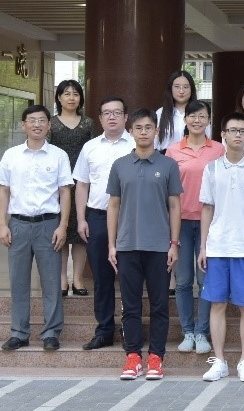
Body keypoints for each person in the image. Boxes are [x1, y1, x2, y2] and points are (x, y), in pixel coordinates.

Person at [107, 109, 182, 381]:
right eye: (138, 127)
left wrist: (174, 244)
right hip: (127, 245)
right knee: (130, 305)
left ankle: (156, 358)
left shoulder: (168, 165)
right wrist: (112, 244)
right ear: (131, 131)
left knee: (160, 304)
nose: (143, 132)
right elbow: (113, 206)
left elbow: (175, 206)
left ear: (156, 131)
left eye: (148, 127)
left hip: (159, 246)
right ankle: (133, 357)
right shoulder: (119, 165)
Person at [199, 112, 244, 383]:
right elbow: (207, 208)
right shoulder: (212, 168)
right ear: (223, 135)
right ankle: (219, 361)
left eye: (242, 131)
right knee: (217, 304)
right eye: (233, 130)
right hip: (218, 247)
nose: (238, 135)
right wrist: (203, 247)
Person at [0, 105, 73, 352]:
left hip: (48, 224)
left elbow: (65, 192)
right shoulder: (11, 155)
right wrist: (2, 224)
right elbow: (3, 190)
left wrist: (63, 225)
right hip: (18, 224)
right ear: (23, 125)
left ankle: (51, 333)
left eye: (41, 120)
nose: (37, 124)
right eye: (32, 120)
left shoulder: (58, 155)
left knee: (51, 281)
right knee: (18, 281)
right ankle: (19, 333)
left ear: (49, 125)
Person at [74, 96, 134, 351]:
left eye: (117, 112)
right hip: (97, 217)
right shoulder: (90, 148)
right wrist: (81, 219)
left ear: (125, 117)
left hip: (130, 219)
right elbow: (82, 184)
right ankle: (104, 330)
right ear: (99, 118)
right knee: (102, 277)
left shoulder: (136, 145)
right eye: (107, 113)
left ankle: (130, 331)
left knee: (131, 277)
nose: (112, 117)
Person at [166, 100, 224, 356]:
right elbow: (168, 190)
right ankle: (187, 331)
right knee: (183, 281)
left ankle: (202, 332)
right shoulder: (172, 151)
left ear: (209, 120)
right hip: (180, 222)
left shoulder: (219, 149)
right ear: (185, 120)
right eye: (192, 116)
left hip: (209, 222)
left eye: (202, 116)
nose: (197, 120)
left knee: (205, 280)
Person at [47, 79, 94, 298]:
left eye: (75, 94)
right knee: (62, 231)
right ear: (59, 97)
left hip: (83, 183)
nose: (71, 98)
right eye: (66, 94)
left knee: (80, 233)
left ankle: (78, 278)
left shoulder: (88, 124)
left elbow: (93, 150)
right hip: (57, 184)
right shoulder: (51, 123)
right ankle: (62, 279)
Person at [157, 69, 209, 152]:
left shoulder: (201, 113)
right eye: (177, 87)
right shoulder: (160, 113)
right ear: (170, 89)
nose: (181, 91)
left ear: (191, 89)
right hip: (165, 157)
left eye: (185, 87)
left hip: (193, 156)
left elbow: (208, 138)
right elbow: (154, 142)